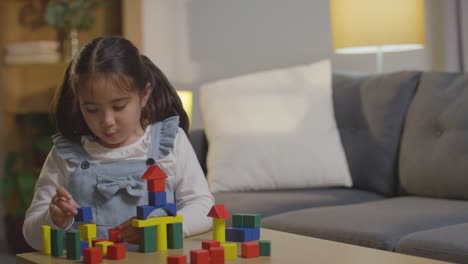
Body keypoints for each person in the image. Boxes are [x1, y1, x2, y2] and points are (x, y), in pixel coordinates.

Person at [23, 36, 214, 250]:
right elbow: (31, 233)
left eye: (119, 106)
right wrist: (53, 219)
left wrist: (165, 227)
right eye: (91, 109)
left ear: (144, 94)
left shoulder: (169, 142)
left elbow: (204, 208)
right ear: (78, 101)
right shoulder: (66, 153)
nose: (107, 122)